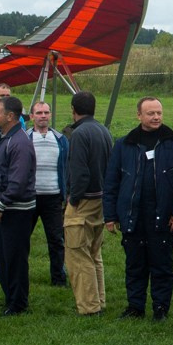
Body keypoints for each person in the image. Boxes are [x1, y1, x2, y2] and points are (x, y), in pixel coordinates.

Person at [105, 97, 173, 319]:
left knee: (161, 264)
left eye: (159, 113)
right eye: (151, 113)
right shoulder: (124, 144)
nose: (156, 117)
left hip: (162, 215)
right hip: (132, 214)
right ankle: (135, 306)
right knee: (135, 264)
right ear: (139, 115)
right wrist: (110, 215)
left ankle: (161, 307)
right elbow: (112, 182)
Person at [59, 90, 115, 315]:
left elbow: (79, 172)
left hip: (83, 201)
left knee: (77, 254)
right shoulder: (103, 130)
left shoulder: (80, 134)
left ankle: (89, 307)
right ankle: (99, 301)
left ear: (73, 110)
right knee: (94, 253)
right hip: (101, 199)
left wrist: (73, 199)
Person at [0, 95, 38, 315]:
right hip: (3, 206)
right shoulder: (1, 138)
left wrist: (0, 206)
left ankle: (18, 303)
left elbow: (18, 180)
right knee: (3, 257)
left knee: (15, 258)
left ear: (10, 116)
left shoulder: (20, 142)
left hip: (17, 210)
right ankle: (10, 298)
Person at [27, 100, 70, 289]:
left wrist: (66, 193)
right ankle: (21, 274)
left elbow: (68, 168)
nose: (43, 116)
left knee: (56, 239)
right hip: (29, 196)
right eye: (39, 113)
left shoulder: (60, 140)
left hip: (53, 196)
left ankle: (59, 278)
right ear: (31, 117)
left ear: (50, 115)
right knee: (22, 239)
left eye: (46, 112)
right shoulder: (25, 138)